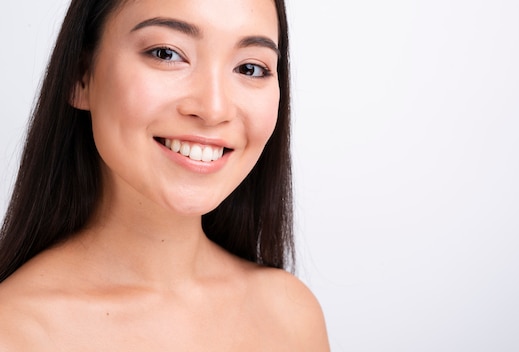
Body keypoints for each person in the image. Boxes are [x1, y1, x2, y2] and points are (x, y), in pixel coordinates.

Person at [0, 0, 329, 350]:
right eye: (166, 53)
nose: (214, 109)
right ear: (80, 76)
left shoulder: (290, 315)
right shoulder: (15, 330)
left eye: (249, 68)